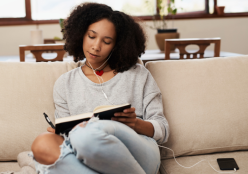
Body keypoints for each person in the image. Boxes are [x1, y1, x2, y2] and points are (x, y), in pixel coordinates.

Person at [30, 3, 169, 174]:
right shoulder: (64, 84)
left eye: (107, 41)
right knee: (43, 143)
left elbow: (163, 129)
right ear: (81, 34)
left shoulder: (138, 75)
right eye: (91, 36)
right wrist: (62, 133)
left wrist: (135, 124)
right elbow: (66, 142)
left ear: (117, 45)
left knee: (87, 132)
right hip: (88, 156)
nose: (96, 46)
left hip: (139, 152)